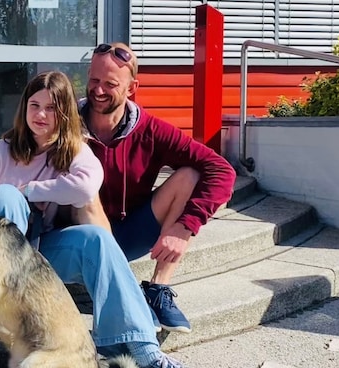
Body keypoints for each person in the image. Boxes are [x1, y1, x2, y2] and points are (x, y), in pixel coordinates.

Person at [0, 70, 220, 368]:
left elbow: (88, 183)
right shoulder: (1, 151)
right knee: (7, 196)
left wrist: (29, 189)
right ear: (24, 108)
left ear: (65, 114)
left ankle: (142, 353)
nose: (41, 114)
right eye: (34, 105)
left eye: (52, 107)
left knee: (96, 240)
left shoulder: (72, 149)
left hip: (37, 256)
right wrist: (11, 195)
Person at [80, 42, 236, 334]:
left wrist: (184, 227)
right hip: (80, 236)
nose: (98, 91)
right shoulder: (66, 123)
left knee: (189, 175)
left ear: (131, 87)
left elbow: (222, 170)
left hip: (128, 232)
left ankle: (157, 289)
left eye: (110, 84)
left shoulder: (151, 130)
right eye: (94, 80)